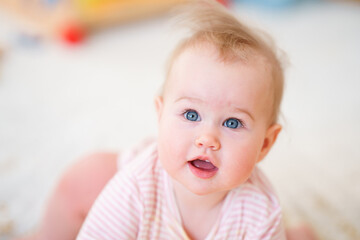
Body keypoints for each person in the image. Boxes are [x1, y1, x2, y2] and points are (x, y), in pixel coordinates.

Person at [19, 1, 317, 239]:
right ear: (161, 115)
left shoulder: (260, 213)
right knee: (82, 180)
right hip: (113, 180)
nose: (206, 139)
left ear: (265, 144)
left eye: (232, 123)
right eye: (191, 115)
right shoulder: (133, 188)